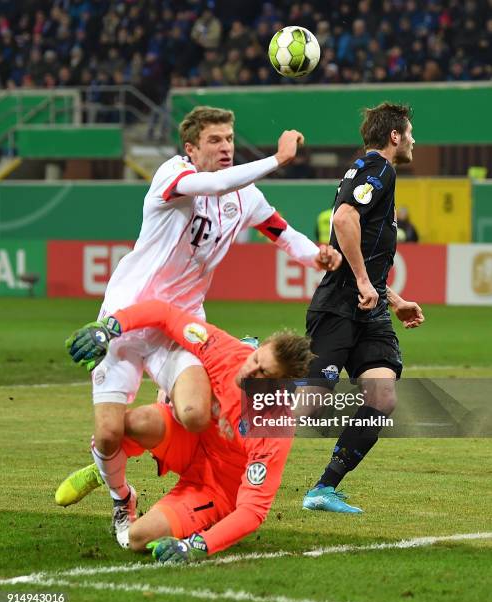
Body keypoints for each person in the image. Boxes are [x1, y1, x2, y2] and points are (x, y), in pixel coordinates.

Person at [55, 105, 342, 546]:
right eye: (214, 140)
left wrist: (315, 256)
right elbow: (213, 183)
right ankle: (121, 495)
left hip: (181, 327)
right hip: (128, 317)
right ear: (191, 148)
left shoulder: (246, 197)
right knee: (109, 433)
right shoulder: (174, 175)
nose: (225, 147)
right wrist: (278, 160)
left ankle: (203, 485)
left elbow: (282, 233)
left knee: (191, 414)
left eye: (229, 138)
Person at [65, 298, 314, 559]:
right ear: (258, 348)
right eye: (255, 359)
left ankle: (204, 522)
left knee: (139, 538)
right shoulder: (227, 352)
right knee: (133, 423)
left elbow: (253, 511)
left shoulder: (273, 425)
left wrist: (197, 545)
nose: (250, 371)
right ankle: (110, 476)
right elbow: (164, 314)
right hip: (189, 441)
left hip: (214, 488)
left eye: (264, 374)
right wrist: (110, 327)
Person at [302, 102, 425, 513]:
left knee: (382, 395)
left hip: (368, 310)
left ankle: (324, 488)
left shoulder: (369, 172)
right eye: (409, 132)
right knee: (312, 402)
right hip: (340, 304)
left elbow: (366, 251)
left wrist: (393, 297)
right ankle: (248, 362)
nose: (413, 140)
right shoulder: (379, 169)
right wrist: (359, 281)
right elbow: (343, 220)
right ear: (394, 136)